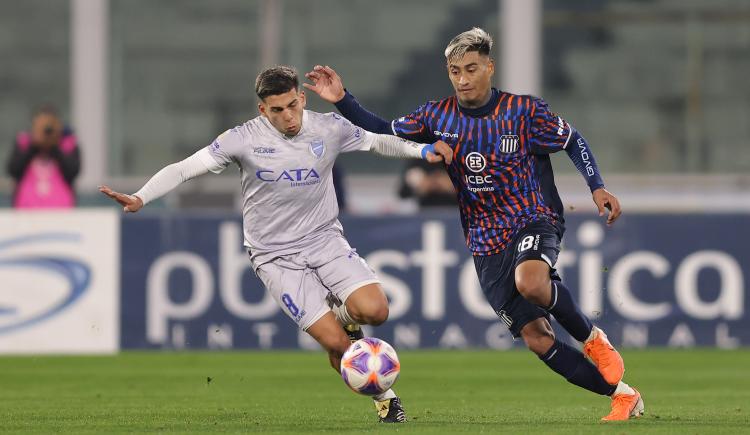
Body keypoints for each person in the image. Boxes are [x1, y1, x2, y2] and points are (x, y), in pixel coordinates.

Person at [304, 28, 643, 422]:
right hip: (484, 240)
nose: (463, 79)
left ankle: (592, 339)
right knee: (538, 339)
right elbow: (383, 131)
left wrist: (597, 187)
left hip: (533, 216)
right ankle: (622, 394)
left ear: (489, 67)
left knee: (531, 282)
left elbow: (572, 139)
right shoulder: (437, 115)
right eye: (454, 71)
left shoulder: (524, 111)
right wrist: (343, 100)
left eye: (471, 69)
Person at [99, 66, 452, 423]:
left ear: (301, 98)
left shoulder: (328, 127)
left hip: (324, 239)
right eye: (277, 110)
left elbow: (377, 140)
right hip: (274, 256)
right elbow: (185, 168)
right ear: (262, 110)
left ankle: (341, 315)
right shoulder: (242, 139)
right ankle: (386, 399)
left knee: (376, 311)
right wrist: (141, 197)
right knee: (337, 345)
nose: (288, 117)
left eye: (291, 106)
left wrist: (423, 152)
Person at [6, 106, 81, 208]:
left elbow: (73, 172)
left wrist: (54, 146)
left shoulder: (68, 144)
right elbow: (13, 170)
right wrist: (34, 145)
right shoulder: (23, 143)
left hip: (62, 211)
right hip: (26, 211)